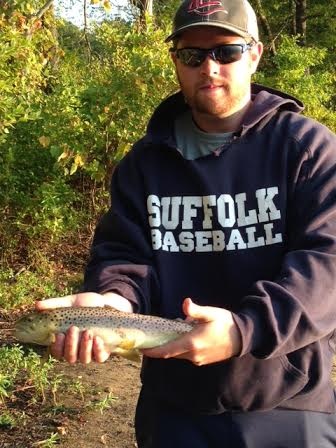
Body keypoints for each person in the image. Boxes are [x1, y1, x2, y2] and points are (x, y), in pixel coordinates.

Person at [36, 0, 336, 446]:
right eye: (192, 55)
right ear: (176, 60)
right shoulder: (143, 164)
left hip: (287, 400)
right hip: (173, 407)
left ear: (254, 54)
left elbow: (326, 260)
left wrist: (243, 330)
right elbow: (124, 255)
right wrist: (114, 300)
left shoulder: (307, 147)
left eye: (226, 51)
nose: (209, 67)